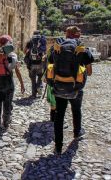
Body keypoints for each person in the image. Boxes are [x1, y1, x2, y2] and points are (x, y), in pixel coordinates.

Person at [49, 26, 94, 154]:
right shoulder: (82, 49)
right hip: (76, 87)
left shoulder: (57, 48)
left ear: (66, 35)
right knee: (76, 110)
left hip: (59, 86)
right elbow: (89, 72)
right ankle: (77, 132)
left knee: (59, 115)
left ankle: (58, 146)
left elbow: (50, 63)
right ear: (77, 35)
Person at [0, 35, 25, 138]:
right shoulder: (12, 54)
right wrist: (22, 84)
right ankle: (6, 121)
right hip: (8, 82)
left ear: (0, 43)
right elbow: (15, 68)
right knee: (7, 103)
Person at [24, 30, 47, 98]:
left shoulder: (30, 41)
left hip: (31, 64)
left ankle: (33, 94)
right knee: (40, 77)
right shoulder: (42, 41)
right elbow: (44, 52)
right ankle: (38, 88)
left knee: (33, 79)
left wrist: (29, 54)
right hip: (40, 63)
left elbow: (25, 51)